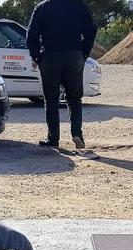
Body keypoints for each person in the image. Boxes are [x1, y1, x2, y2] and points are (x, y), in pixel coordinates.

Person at [27, 0, 97, 149]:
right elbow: (91, 30)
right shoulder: (78, 5)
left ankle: (53, 138)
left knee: (51, 99)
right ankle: (77, 134)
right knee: (74, 97)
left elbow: (31, 35)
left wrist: (36, 56)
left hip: (50, 56)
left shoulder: (42, 7)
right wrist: (83, 53)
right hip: (74, 55)